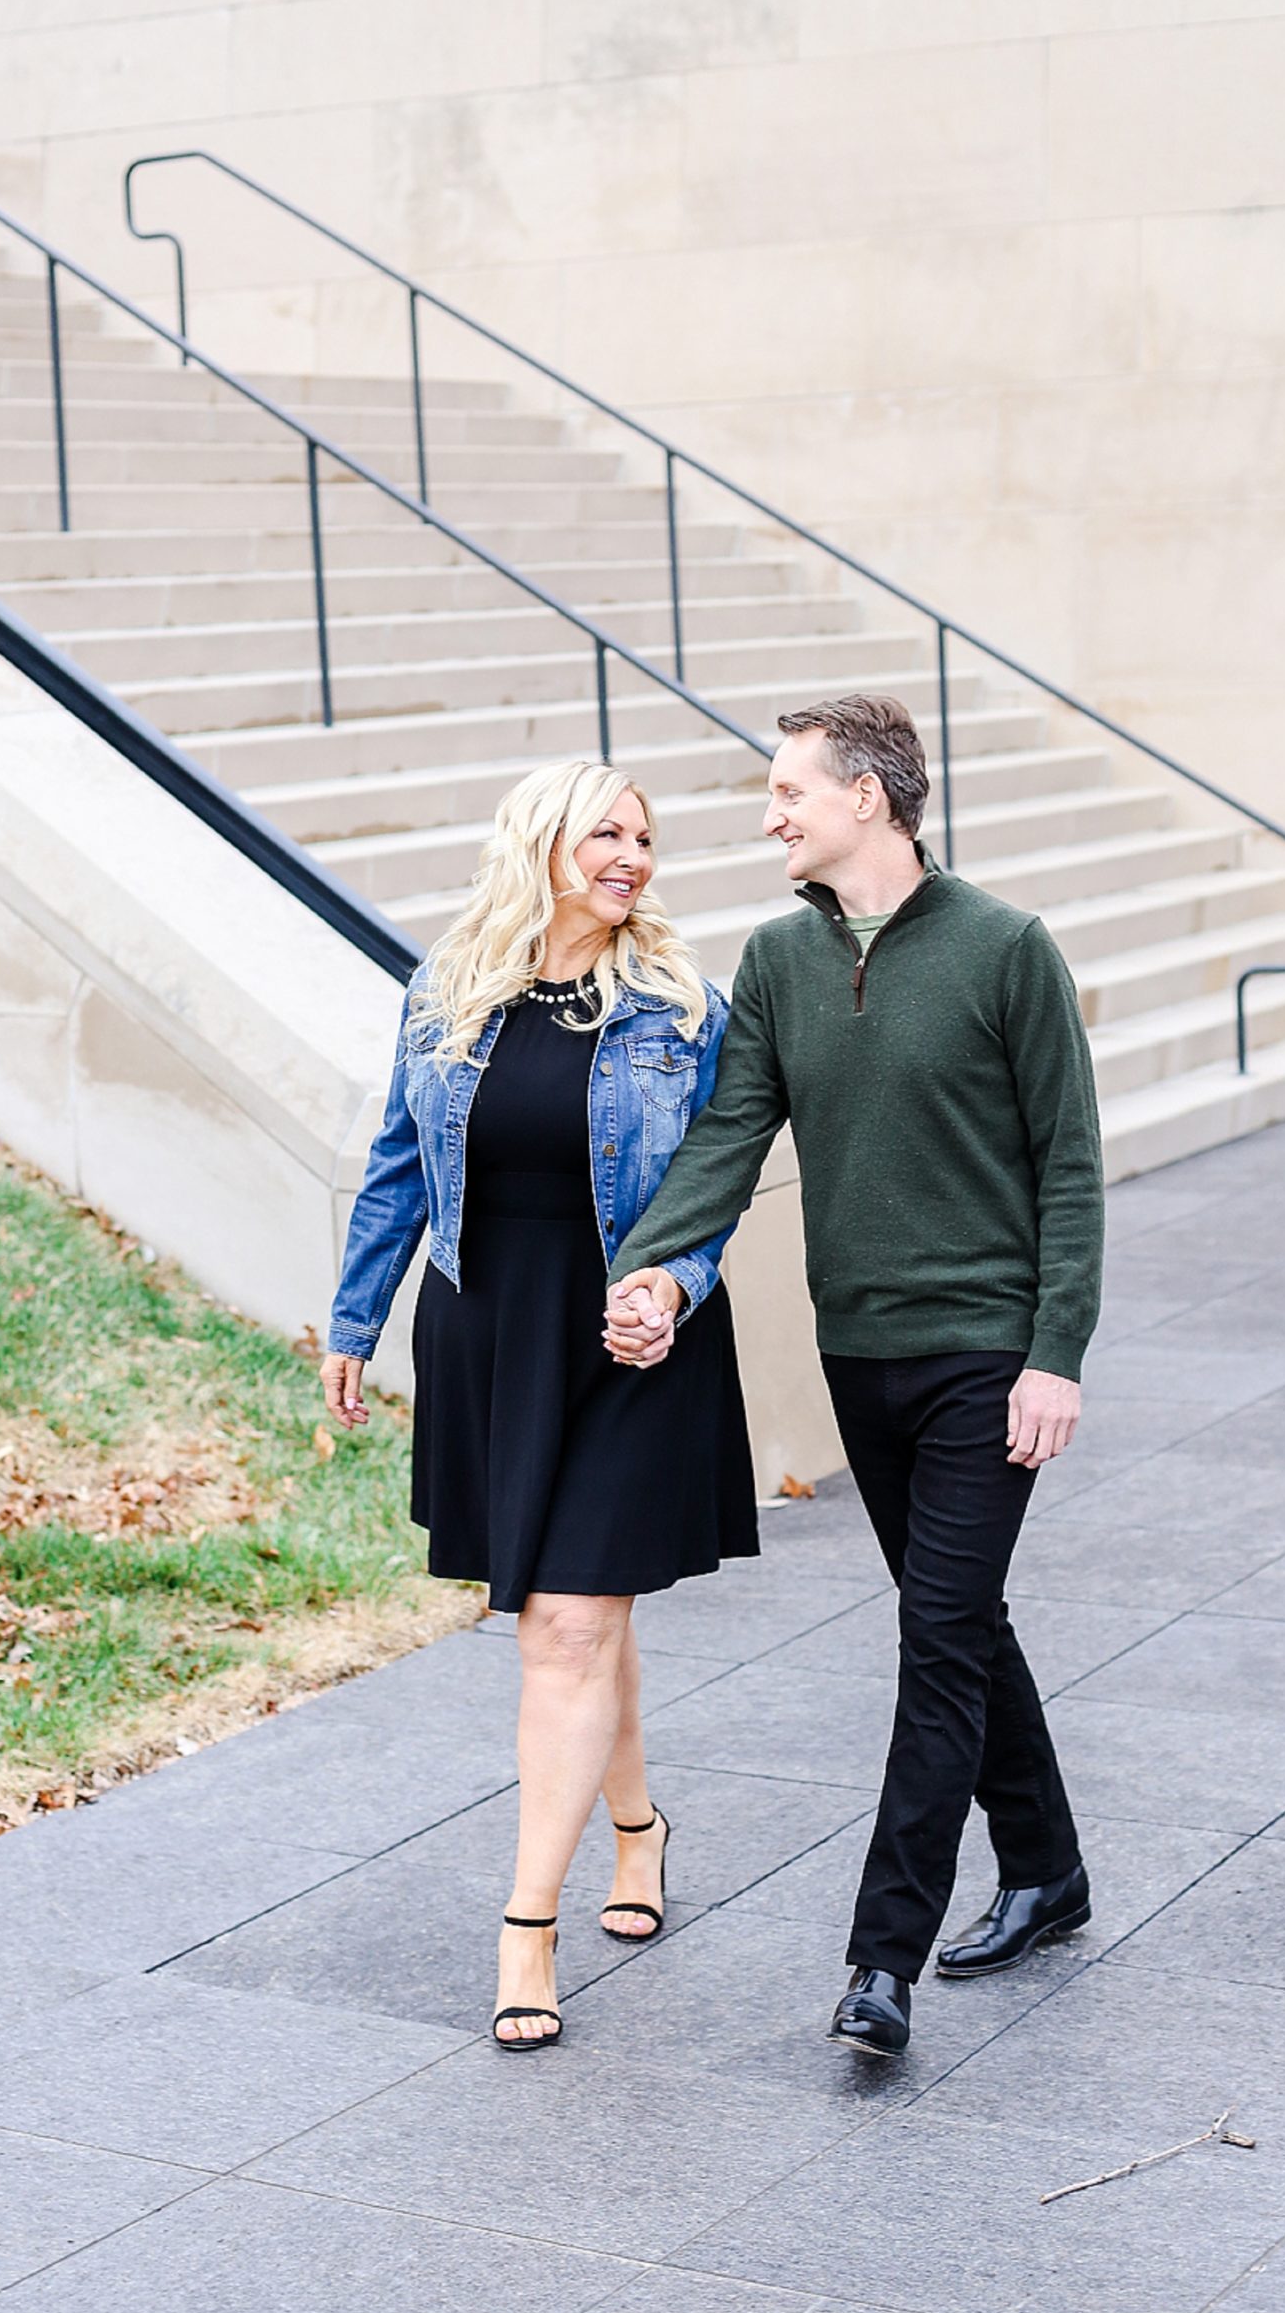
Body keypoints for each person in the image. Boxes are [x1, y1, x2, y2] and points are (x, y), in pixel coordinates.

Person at [605, 693, 1103, 2059]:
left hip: (984, 1357)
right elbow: (727, 1139)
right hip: (859, 1354)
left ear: (867, 798)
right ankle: (1050, 1871)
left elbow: (1068, 1166)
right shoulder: (775, 962)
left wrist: (1053, 1355)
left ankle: (878, 1960)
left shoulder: (1005, 951)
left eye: (789, 792)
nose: (770, 814)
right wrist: (652, 1267)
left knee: (936, 1639)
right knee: (963, 1620)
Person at [321, 756, 757, 2054]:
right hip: (491, 1331)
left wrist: (672, 1284)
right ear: (539, 845)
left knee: (568, 1618)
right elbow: (398, 1165)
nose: (629, 855)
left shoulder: (683, 1005)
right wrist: (353, 1318)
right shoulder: (444, 988)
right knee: (583, 1610)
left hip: (631, 1337)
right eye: (603, 833)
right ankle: (636, 1827)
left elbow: (717, 1177)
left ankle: (526, 1925)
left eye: (643, 836)